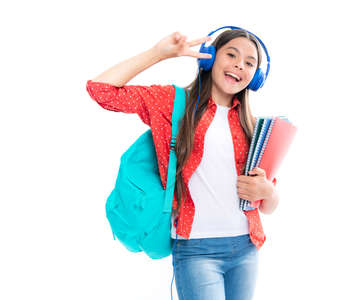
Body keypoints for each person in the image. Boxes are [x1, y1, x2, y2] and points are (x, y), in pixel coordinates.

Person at [86, 27, 280, 300]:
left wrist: (269, 193)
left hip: (246, 248)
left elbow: (269, 206)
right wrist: (158, 54)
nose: (239, 64)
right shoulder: (173, 104)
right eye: (232, 54)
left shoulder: (253, 126)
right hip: (197, 250)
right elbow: (101, 90)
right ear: (209, 58)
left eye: (250, 63)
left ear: (256, 76)